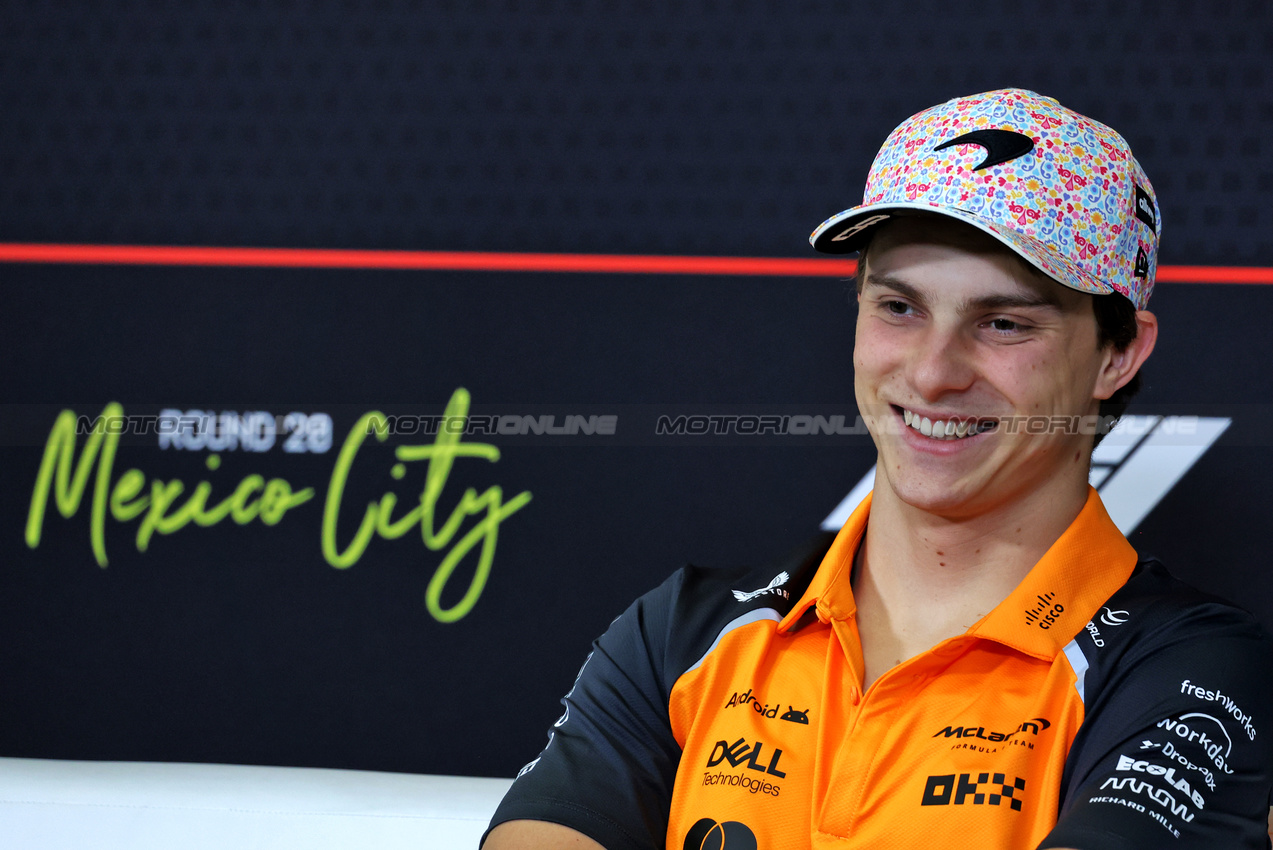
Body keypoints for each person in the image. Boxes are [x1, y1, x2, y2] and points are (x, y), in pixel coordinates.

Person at [482, 89, 1273, 849]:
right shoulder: (682, 630)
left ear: (1117, 353)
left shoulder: (1194, 669)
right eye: (899, 307)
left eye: (1001, 323)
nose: (932, 374)